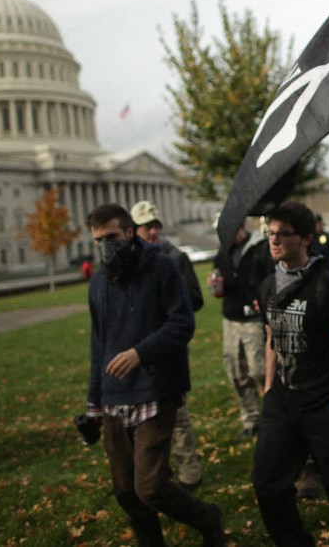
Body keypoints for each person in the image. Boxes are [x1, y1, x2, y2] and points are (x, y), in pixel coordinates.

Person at [84, 203, 224, 547]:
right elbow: (98, 344)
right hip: (116, 396)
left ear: (130, 232)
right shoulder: (98, 281)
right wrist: (93, 401)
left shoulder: (162, 266)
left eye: (112, 237)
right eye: (98, 240)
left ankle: (208, 519)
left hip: (157, 389)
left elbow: (182, 323)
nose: (105, 246)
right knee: (125, 490)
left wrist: (140, 353)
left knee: (150, 487)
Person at [251, 201, 329, 546]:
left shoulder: (326, 285)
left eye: (282, 234)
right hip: (282, 404)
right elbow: (272, 336)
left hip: (324, 404)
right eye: (270, 233)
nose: (273, 240)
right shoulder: (268, 285)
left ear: (305, 238)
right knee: (267, 483)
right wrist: (270, 387)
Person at [130, 200, 205, 490]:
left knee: (177, 412)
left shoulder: (175, 257)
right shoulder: (130, 262)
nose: (153, 231)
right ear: (134, 230)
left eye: (156, 225)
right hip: (138, 348)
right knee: (146, 415)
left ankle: (189, 471)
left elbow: (195, 299)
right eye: (147, 226)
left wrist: (172, 308)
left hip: (170, 346)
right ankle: (159, 471)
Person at [212, 224, 272, 438]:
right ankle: (251, 419)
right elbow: (218, 279)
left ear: (241, 226)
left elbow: (270, 278)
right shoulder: (222, 252)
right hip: (231, 318)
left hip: (253, 318)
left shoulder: (260, 247)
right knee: (236, 371)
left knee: (260, 369)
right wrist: (216, 285)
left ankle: (272, 416)